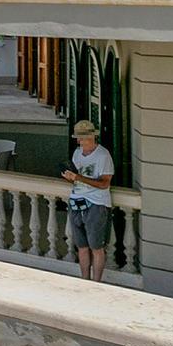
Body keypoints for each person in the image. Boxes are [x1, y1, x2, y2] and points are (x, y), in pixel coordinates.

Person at [61, 119, 116, 282]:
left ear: (92, 137)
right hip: (76, 201)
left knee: (96, 247)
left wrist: (79, 177)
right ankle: (85, 279)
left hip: (96, 204)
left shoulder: (103, 156)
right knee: (82, 246)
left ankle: (96, 282)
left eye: (83, 138)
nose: (80, 141)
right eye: (79, 138)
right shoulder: (77, 153)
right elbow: (76, 180)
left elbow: (104, 183)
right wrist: (70, 178)